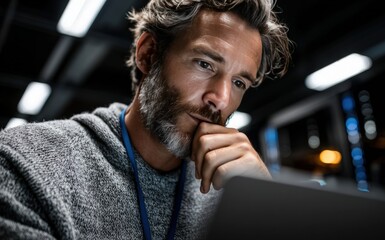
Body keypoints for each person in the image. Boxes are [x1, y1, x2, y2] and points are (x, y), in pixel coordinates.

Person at [0, 0, 291, 239]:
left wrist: (264, 206)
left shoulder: (233, 194)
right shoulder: (26, 163)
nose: (222, 99)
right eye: (205, 64)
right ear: (148, 54)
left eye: (239, 82)